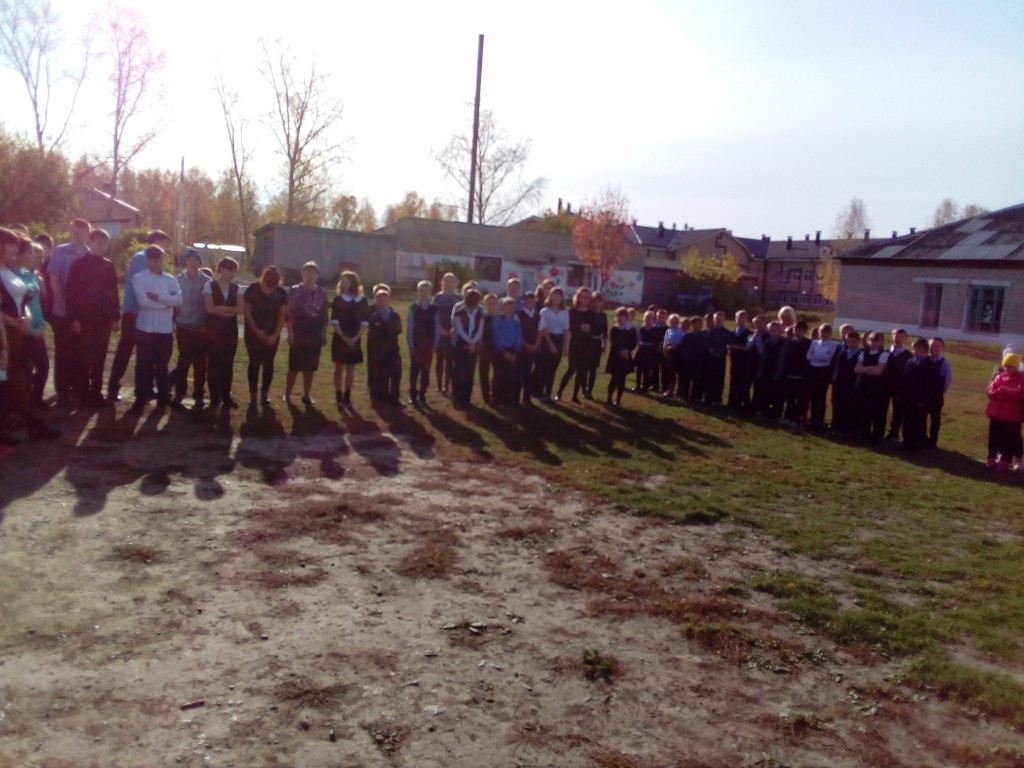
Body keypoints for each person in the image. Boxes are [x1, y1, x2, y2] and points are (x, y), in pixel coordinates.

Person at [0, 228, 60, 440]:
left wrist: (25, 317)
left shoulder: (9, 271)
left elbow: (24, 299)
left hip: (17, 334)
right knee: (7, 380)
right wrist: (15, 323)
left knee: (19, 379)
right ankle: (24, 424)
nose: (16, 249)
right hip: (5, 334)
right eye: (12, 244)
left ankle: (32, 423)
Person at [108, 230, 172, 403]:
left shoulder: (153, 259)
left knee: (147, 352)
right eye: (164, 243)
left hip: (147, 312)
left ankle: (144, 388)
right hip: (134, 312)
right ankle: (113, 386)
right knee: (126, 349)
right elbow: (144, 286)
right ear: (157, 241)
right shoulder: (141, 258)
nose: (166, 248)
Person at [65, 229, 120, 407]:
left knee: (100, 357)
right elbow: (70, 294)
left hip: (103, 320)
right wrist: (73, 319)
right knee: (83, 357)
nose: (102, 247)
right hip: (84, 319)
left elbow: (113, 293)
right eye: (99, 243)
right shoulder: (78, 264)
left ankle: (96, 393)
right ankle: (82, 393)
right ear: (90, 243)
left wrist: (115, 317)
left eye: (105, 244)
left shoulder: (108, 266)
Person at [131, 245, 182, 411]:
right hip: (145, 328)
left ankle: (162, 398)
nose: (157, 263)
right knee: (143, 365)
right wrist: (167, 304)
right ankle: (140, 398)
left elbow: (179, 300)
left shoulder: (171, 280)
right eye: (153, 260)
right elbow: (143, 303)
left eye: (160, 260)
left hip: (165, 330)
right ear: (147, 260)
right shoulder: (139, 278)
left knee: (162, 366)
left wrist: (159, 298)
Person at [46, 218, 90, 406]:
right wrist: (66, 307)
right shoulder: (60, 251)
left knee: (81, 353)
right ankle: (63, 392)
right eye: (75, 232)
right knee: (64, 352)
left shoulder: (90, 255)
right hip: (62, 311)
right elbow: (54, 281)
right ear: (70, 232)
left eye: (82, 233)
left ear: (87, 234)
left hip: (84, 314)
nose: (78, 236)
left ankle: (78, 390)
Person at [283, 261, 328, 405]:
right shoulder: (294, 290)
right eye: (307, 273)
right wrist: (290, 332)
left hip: (315, 332)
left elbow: (324, 315)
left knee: (310, 366)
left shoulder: (322, 293)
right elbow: (288, 313)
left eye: (313, 273)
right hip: (299, 331)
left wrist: (324, 333)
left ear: (317, 276)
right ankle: (287, 394)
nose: (310, 276)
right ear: (302, 274)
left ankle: (307, 395)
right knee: (294, 365)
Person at [171, 249, 211, 407]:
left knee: (200, 362)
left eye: (195, 260)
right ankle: (180, 391)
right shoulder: (177, 280)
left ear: (200, 263)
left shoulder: (207, 281)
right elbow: (173, 303)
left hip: (200, 327)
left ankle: (198, 392)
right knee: (184, 359)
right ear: (185, 263)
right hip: (183, 325)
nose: (192, 263)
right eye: (189, 260)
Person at [243, 265, 288, 406]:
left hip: (272, 334)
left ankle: (264, 395)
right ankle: (253, 396)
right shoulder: (253, 288)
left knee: (268, 363)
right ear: (264, 276)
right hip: (253, 333)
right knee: (254, 363)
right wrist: (256, 331)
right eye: (269, 276)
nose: (272, 280)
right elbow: (246, 312)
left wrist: (275, 335)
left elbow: (282, 315)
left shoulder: (281, 293)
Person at [202, 257, 243, 409]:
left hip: (230, 331)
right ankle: (214, 397)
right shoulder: (209, 285)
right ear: (221, 268)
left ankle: (226, 396)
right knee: (214, 362)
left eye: (234, 270)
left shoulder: (237, 288)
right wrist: (229, 311)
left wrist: (220, 308)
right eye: (230, 269)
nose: (232, 273)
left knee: (227, 363)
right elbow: (209, 308)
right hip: (213, 331)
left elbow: (241, 309)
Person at [17, 241, 49, 409]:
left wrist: (41, 325)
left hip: (38, 326)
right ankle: (23, 404)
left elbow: (38, 302)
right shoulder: (15, 276)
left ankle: (36, 398)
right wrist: (31, 330)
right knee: (26, 370)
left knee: (44, 366)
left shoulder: (32, 276)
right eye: (31, 253)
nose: (35, 258)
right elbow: (21, 306)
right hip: (24, 331)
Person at [331, 270, 370, 406]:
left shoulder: (362, 301)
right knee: (339, 367)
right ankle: (338, 395)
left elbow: (365, 322)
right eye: (342, 282)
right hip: (340, 338)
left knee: (350, 368)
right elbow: (334, 320)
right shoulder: (338, 299)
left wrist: (355, 337)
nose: (343, 284)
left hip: (355, 338)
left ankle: (347, 395)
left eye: (346, 282)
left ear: (353, 283)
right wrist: (343, 336)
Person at [985, 352, 1024, 471]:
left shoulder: (1021, 378)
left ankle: (1005, 461)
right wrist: (1003, 392)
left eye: (1010, 366)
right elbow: (991, 391)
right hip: (996, 411)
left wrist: (1002, 391)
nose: (1007, 368)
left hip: (1012, 413)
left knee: (1009, 437)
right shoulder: (1000, 376)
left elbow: (1018, 393)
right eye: (1006, 366)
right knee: (994, 436)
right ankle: (991, 457)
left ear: (1016, 366)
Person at [366, 285, 403, 406]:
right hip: (378, 351)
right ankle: (380, 398)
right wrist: (386, 330)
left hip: (393, 349)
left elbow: (398, 329)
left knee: (396, 374)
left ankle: (395, 398)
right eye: (380, 300)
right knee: (381, 375)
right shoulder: (373, 316)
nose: (382, 302)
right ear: (376, 301)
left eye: (385, 300)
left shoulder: (394, 315)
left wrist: (384, 329)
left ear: (389, 300)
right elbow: (373, 332)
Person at [557, 287, 593, 403]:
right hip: (575, 345)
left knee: (581, 371)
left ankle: (575, 396)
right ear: (578, 297)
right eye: (583, 297)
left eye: (587, 297)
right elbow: (569, 327)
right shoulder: (572, 311)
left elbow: (595, 328)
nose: (585, 299)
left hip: (586, 346)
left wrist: (590, 328)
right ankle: (559, 392)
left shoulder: (591, 312)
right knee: (571, 369)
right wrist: (579, 327)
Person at [901, 338, 938, 451]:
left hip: (920, 400)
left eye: (918, 348)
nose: (915, 350)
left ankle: (918, 444)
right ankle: (906, 442)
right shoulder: (910, 362)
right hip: (908, 398)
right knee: (907, 421)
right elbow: (904, 378)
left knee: (919, 422)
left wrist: (924, 400)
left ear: (925, 349)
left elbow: (930, 385)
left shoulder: (930, 365)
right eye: (914, 348)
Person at [854, 331, 891, 442]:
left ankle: (877, 435)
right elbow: (856, 369)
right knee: (865, 410)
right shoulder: (863, 353)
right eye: (871, 340)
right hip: (864, 385)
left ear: (881, 342)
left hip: (877, 387)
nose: (874, 343)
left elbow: (878, 372)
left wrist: (864, 369)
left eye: (876, 341)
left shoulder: (884, 354)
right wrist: (870, 368)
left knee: (877, 411)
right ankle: (865, 432)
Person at [451, 286, 484, 410]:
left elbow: (480, 330)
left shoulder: (480, 314)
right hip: (460, 346)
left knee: (470, 372)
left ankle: (467, 398)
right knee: (459, 372)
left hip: (473, 347)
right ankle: (457, 398)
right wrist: (470, 342)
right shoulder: (459, 313)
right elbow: (459, 330)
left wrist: (473, 343)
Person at [407, 279, 438, 406]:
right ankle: (413, 395)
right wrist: (411, 345)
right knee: (414, 371)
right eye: (422, 291)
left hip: (428, 344)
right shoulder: (413, 308)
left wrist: (435, 345)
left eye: (427, 291)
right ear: (418, 292)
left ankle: (422, 395)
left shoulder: (434, 309)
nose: (424, 293)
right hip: (416, 343)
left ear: (430, 292)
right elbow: (410, 328)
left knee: (426, 371)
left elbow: (437, 328)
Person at [536, 287, 569, 403]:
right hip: (547, 340)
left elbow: (566, 330)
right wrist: (551, 345)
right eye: (554, 295)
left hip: (559, 340)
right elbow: (543, 329)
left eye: (559, 295)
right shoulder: (545, 311)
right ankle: (539, 392)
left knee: (552, 369)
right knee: (544, 368)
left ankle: (548, 393)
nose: (557, 298)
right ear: (550, 296)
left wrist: (565, 346)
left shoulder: (565, 312)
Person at [431, 272, 460, 395]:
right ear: (442, 283)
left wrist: (454, 330)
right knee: (439, 360)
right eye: (446, 281)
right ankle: (439, 385)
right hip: (439, 333)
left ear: (456, 283)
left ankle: (447, 386)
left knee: (450, 361)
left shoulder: (459, 299)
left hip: (454, 333)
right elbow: (433, 315)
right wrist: (440, 329)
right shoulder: (437, 298)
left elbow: (461, 317)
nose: (449, 284)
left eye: (451, 281)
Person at [806, 323, 838, 429]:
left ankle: (820, 420)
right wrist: (820, 358)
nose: (824, 334)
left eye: (826, 332)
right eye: (822, 332)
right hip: (813, 371)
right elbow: (808, 356)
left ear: (830, 334)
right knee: (813, 396)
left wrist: (817, 357)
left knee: (821, 397)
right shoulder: (814, 343)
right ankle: (813, 419)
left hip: (823, 372)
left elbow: (829, 358)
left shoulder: (833, 345)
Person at [491, 297, 522, 406]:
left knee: (510, 376)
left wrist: (516, 352)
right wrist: (504, 351)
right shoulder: (497, 321)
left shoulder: (516, 322)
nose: (509, 310)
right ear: (503, 308)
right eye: (507, 308)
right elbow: (497, 337)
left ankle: (508, 398)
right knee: (499, 375)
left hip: (513, 351)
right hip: (501, 352)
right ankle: (497, 398)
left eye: (511, 308)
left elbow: (518, 337)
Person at [780, 320, 812, 425]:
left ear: (804, 331)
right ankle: (788, 416)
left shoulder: (808, 344)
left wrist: (806, 375)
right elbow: (786, 359)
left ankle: (796, 418)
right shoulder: (791, 343)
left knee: (800, 399)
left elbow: (808, 360)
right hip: (790, 374)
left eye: (799, 330)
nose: (796, 331)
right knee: (790, 398)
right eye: (795, 329)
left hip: (801, 376)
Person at [831, 330, 862, 434]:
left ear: (858, 341)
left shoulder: (860, 354)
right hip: (839, 383)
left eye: (854, 341)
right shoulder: (843, 353)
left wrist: (857, 385)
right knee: (837, 404)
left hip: (851, 385)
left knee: (848, 406)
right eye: (849, 341)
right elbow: (837, 367)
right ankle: (835, 426)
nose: (851, 343)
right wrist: (834, 380)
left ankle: (845, 428)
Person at [883, 329, 912, 441]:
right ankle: (879, 431)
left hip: (899, 388)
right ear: (892, 337)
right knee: (882, 409)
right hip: (884, 386)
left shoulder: (908, 355)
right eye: (896, 336)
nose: (898, 339)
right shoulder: (885, 352)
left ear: (905, 339)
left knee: (898, 411)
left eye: (901, 337)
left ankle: (894, 433)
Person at [606, 307, 638, 406]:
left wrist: (627, 350)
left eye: (623, 316)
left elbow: (633, 343)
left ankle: (618, 400)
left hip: (626, 357)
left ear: (626, 317)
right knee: (614, 378)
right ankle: (609, 398)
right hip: (615, 356)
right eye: (619, 316)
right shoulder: (615, 328)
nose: (621, 318)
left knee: (622, 379)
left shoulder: (631, 329)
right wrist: (620, 352)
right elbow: (613, 342)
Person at [756, 321, 785, 418]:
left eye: (774, 330)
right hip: (766, 371)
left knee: (777, 393)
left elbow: (782, 360)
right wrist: (761, 371)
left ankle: (775, 413)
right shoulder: (767, 342)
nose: (772, 332)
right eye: (770, 330)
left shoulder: (783, 343)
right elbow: (763, 358)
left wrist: (778, 374)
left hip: (777, 372)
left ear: (780, 331)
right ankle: (764, 410)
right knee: (765, 391)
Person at [927, 338, 952, 448]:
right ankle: (921, 437)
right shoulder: (924, 360)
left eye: (938, 346)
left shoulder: (944, 363)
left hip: (936, 397)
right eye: (932, 345)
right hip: (923, 396)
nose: (934, 348)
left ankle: (933, 440)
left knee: (935, 419)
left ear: (942, 348)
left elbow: (947, 381)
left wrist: (939, 392)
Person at [516, 291, 541, 405]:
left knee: (529, 374)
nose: (532, 303)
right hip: (522, 348)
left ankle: (527, 397)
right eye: (530, 301)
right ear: (524, 302)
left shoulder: (537, 316)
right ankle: (516, 397)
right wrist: (526, 344)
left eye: (533, 301)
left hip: (533, 348)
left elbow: (540, 332)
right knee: (519, 372)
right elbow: (518, 333)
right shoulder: (519, 315)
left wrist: (535, 345)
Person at [726, 310, 753, 409]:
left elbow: (749, 348)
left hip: (744, 362)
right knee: (733, 381)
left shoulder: (750, 333)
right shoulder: (732, 333)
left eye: (743, 320)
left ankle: (743, 404)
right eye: (739, 319)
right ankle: (732, 402)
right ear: (735, 320)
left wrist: (737, 347)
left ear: (746, 320)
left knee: (743, 383)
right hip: (734, 361)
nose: (741, 322)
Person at [582, 292, 608, 400]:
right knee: (584, 368)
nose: (597, 303)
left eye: (599, 301)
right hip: (587, 342)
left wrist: (604, 344)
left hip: (597, 344)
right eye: (595, 301)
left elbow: (605, 332)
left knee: (593, 369)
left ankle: (589, 391)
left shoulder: (603, 315)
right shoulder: (587, 313)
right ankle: (583, 391)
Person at [704, 311, 732, 405]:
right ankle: (708, 397)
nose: (718, 321)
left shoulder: (727, 333)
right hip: (710, 358)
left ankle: (717, 398)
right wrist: (711, 350)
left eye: (720, 319)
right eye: (716, 319)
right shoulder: (710, 331)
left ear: (724, 320)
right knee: (709, 377)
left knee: (719, 379)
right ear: (714, 320)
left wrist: (719, 351)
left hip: (720, 358)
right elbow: (706, 343)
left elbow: (727, 344)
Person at [679, 315, 708, 402]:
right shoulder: (687, 336)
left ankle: (694, 396)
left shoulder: (703, 336)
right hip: (687, 361)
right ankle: (684, 395)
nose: (700, 326)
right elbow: (683, 348)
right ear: (693, 324)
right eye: (698, 324)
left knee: (696, 380)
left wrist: (701, 360)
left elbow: (704, 349)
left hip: (697, 362)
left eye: (701, 324)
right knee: (685, 379)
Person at [478, 293, 499, 403]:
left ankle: (495, 393)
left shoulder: (501, 317)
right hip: (485, 348)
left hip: (498, 348)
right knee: (484, 372)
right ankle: (486, 395)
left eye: (494, 303)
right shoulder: (481, 318)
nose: (492, 306)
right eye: (489, 303)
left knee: (498, 372)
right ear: (484, 304)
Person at [634, 310, 659, 393]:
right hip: (641, 350)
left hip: (650, 351)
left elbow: (656, 342)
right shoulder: (642, 329)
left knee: (646, 370)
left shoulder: (655, 330)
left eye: (650, 318)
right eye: (647, 318)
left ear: (653, 319)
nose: (648, 319)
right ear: (644, 318)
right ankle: (637, 386)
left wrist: (653, 353)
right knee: (639, 369)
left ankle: (644, 387)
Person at [661, 314, 683, 397]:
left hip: (675, 353)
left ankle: (671, 390)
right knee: (667, 372)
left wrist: (669, 348)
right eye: (672, 321)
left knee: (673, 373)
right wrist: (665, 349)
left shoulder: (679, 331)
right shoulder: (668, 330)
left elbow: (678, 342)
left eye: (675, 321)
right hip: (667, 352)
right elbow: (665, 340)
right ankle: (666, 389)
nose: (674, 322)